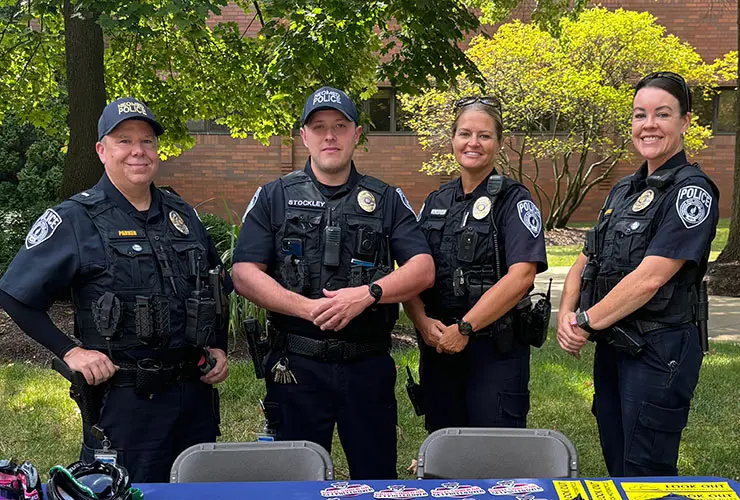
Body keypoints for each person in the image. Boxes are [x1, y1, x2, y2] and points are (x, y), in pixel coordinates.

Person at [0, 97, 231, 482]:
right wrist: (70, 351)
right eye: (124, 140)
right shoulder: (76, 218)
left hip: (195, 397)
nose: (138, 151)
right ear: (101, 150)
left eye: (147, 141)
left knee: (196, 490)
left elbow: (215, 284)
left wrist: (219, 345)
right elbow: (14, 294)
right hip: (126, 400)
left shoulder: (182, 215)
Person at [232, 86, 435, 479]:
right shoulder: (274, 196)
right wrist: (307, 308)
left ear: (357, 135)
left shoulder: (387, 198)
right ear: (304, 136)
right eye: (319, 127)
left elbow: (422, 268)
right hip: (296, 366)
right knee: (295, 479)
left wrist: (367, 294)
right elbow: (244, 273)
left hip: (367, 365)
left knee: (375, 478)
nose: (330, 136)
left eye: (340, 126)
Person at [557, 72, 719, 476]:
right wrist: (565, 314)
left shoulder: (691, 191)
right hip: (614, 344)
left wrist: (585, 320)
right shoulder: (623, 190)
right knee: (617, 456)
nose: (648, 124)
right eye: (639, 114)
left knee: (645, 468)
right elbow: (584, 258)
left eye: (662, 114)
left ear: (684, 122)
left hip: (659, 349)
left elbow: (651, 278)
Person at [403, 96, 548, 432]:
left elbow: (522, 276)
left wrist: (465, 328)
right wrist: (421, 321)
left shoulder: (514, 201)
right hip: (439, 348)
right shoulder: (436, 201)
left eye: (484, 136)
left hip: (494, 351)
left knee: (494, 452)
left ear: (499, 144)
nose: (473, 143)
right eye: (465, 134)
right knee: (445, 447)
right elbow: (412, 269)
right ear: (452, 139)